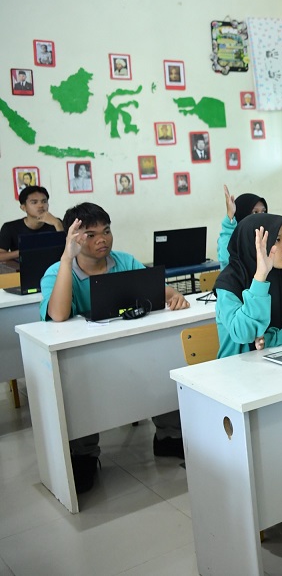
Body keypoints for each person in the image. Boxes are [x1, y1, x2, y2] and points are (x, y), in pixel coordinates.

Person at [39, 203, 190, 490]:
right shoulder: (57, 271)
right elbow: (58, 314)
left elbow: (160, 290)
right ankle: (83, 454)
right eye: (91, 234)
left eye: (106, 231)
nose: (102, 239)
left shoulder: (124, 261)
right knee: (78, 390)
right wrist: (65, 260)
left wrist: (174, 296)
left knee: (164, 363)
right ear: (74, 238)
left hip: (132, 349)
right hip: (86, 359)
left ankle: (168, 436)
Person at [215, 213, 282, 358]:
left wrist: (273, 338)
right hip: (238, 370)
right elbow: (244, 334)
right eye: (277, 240)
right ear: (252, 244)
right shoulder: (229, 284)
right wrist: (260, 277)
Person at [0, 186, 64, 264]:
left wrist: (57, 224)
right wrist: (24, 252)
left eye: (44, 201)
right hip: (23, 270)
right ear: (23, 207)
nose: (41, 205)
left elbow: (67, 250)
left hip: (53, 269)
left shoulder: (56, 222)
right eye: (34, 202)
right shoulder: (10, 227)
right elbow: (1, 255)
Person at [218, 185, 268, 268]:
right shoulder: (232, 240)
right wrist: (230, 215)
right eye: (255, 212)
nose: (261, 216)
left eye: (263, 211)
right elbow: (227, 258)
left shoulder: (266, 237)